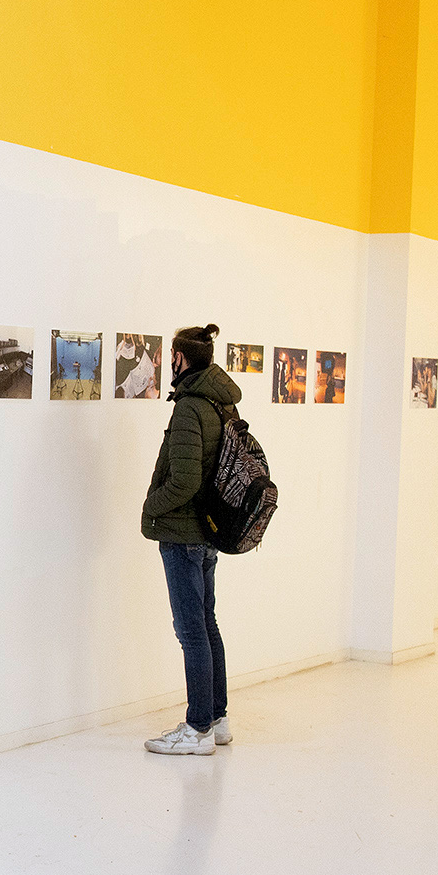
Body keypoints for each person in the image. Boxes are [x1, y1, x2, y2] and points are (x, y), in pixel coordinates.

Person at [140, 322, 240, 757]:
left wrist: (150, 509)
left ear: (182, 359)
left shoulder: (188, 409)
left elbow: (182, 481)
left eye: (172, 356)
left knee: (191, 632)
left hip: (183, 534)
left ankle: (197, 728)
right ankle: (217, 719)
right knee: (207, 624)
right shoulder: (221, 405)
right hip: (208, 533)